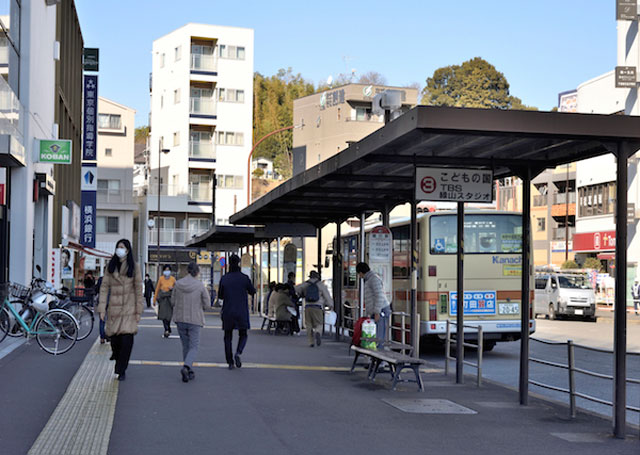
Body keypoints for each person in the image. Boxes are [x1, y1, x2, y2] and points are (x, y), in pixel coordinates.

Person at [97, 239, 143, 381]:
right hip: (114, 310)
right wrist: (102, 308)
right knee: (115, 342)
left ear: (128, 250)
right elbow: (104, 288)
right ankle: (117, 357)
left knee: (127, 342)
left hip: (129, 309)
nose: (119, 250)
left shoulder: (134, 267)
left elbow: (138, 289)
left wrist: (138, 310)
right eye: (118, 247)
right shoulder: (111, 266)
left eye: (122, 247)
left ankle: (121, 369)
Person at [171, 261, 209, 383]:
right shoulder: (200, 285)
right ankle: (187, 367)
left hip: (180, 319)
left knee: (185, 345)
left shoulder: (178, 284)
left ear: (187, 271)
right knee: (194, 346)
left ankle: (189, 369)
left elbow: (172, 301)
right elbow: (207, 304)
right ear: (197, 272)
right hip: (195, 320)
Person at [218, 254, 256, 370]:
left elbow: (220, 295)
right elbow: (252, 291)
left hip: (228, 311)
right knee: (243, 334)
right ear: (239, 263)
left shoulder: (224, 278)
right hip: (241, 311)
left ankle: (230, 362)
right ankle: (238, 352)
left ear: (229, 263)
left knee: (227, 336)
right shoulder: (244, 278)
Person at [356, 262, 391, 348]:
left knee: (379, 336)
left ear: (361, 272)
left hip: (380, 310)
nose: (359, 276)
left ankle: (380, 358)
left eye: (359, 274)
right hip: (378, 309)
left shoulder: (373, 279)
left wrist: (376, 312)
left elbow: (379, 295)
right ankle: (376, 357)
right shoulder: (370, 279)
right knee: (375, 335)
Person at [295, 271, 333, 347]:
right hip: (318, 307)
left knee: (308, 325)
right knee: (319, 323)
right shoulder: (321, 285)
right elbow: (327, 296)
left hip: (308, 306)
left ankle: (311, 342)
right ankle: (318, 332)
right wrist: (330, 305)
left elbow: (296, 289)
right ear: (317, 277)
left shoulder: (306, 284)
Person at [155, 265, 176, 337]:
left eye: (168, 270)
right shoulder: (161, 279)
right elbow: (157, 289)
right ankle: (166, 329)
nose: (167, 271)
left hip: (170, 299)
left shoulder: (173, 279)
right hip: (163, 299)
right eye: (165, 270)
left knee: (169, 316)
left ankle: (168, 326)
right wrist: (154, 300)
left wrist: (172, 288)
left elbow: (176, 289)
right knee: (163, 315)